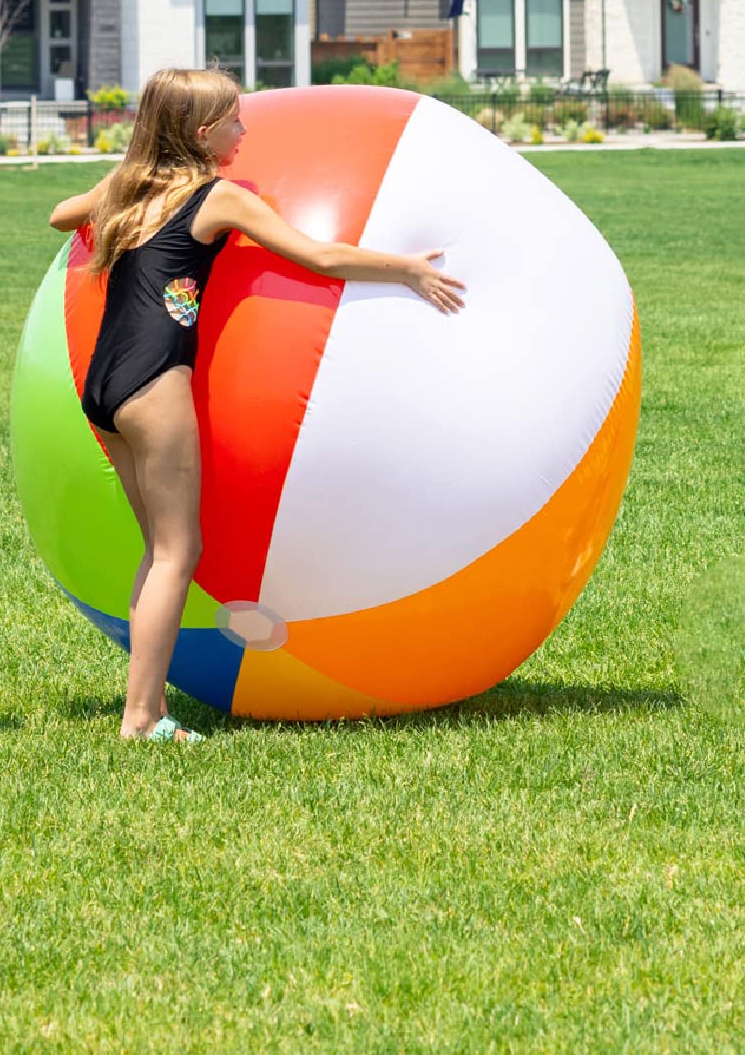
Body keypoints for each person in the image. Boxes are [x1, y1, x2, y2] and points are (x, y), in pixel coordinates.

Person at [49, 67, 465, 743]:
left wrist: (118, 185)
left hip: (102, 385)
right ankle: (143, 718)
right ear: (203, 133)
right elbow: (319, 256)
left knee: (157, 551)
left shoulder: (130, 187)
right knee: (179, 553)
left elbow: (60, 214)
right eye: (236, 122)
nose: (246, 133)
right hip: (154, 384)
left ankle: (140, 707)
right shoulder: (215, 199)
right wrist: (408, 269)